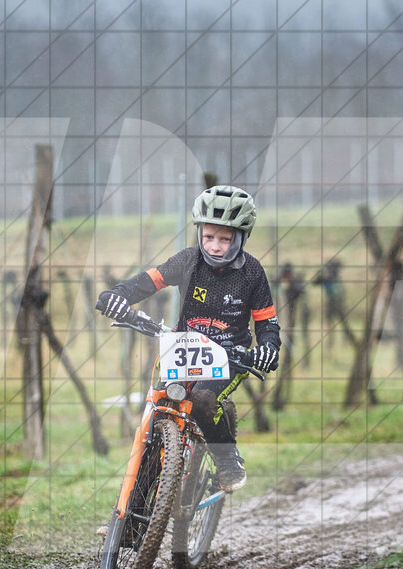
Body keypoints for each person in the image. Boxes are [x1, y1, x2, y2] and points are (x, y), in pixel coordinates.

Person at [96, 185, 281, 492]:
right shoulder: (188, 260)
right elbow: (147, 282)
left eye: (225, 239)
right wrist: (117, 295)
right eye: (209, 237)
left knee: (204, 401)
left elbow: (267, 325)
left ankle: (226, 458)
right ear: (199, 233)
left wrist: (269, 349)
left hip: (228, 357)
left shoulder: (252, 273)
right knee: (157, 416)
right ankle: (130, 520)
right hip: (182, 349)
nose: (216, 246)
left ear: (241, 237)